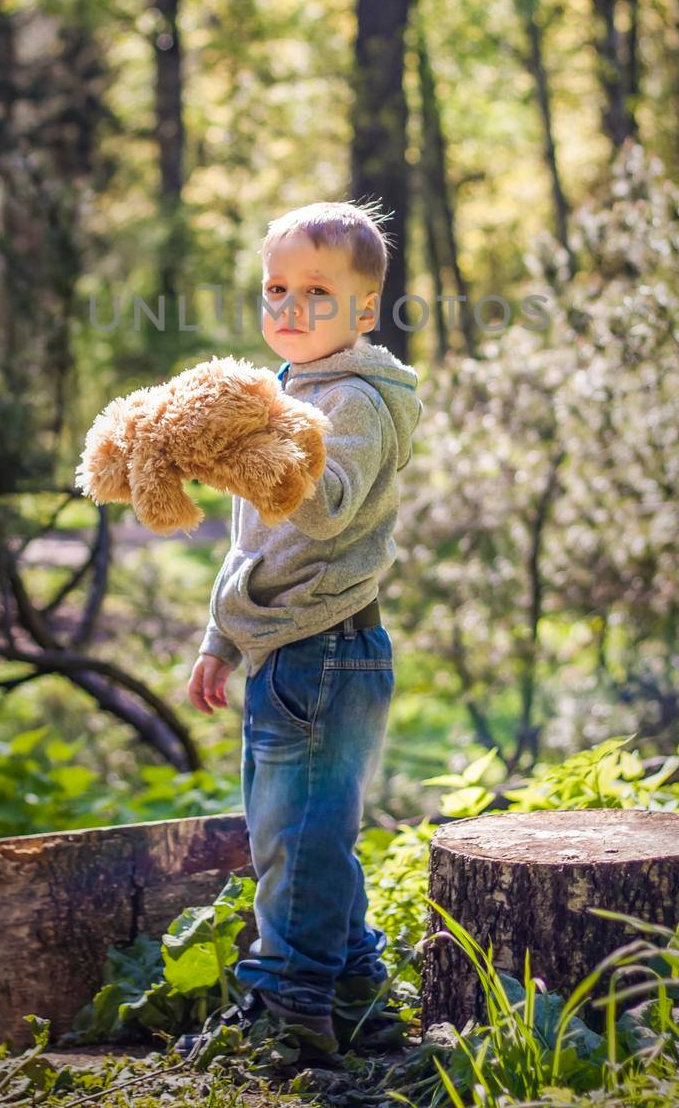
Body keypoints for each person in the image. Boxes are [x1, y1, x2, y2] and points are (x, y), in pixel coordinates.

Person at [185, 198, 423, 1061]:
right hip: (284, 648)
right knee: (294, 833)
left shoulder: (354, 400)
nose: (288, 308)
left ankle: (289, 1004)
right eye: (274, 287)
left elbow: (320, 512)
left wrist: (235, 449)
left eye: (315, 292)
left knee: (299, 841)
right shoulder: (287, 389)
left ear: (362, 311)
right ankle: (359, 994)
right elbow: (258, 541)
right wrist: (220, 638)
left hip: (328, 652)